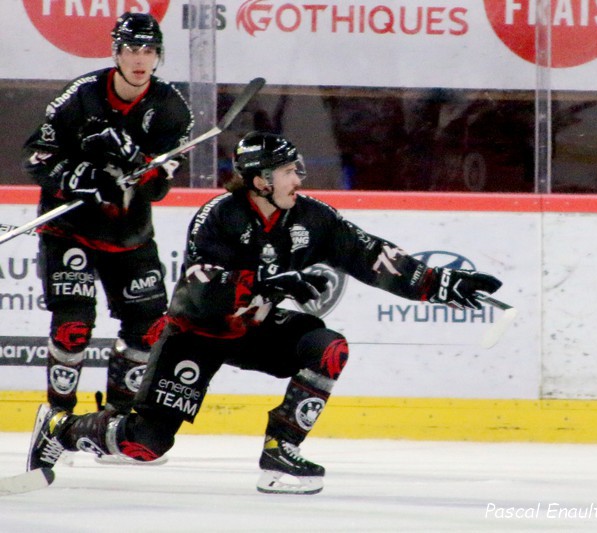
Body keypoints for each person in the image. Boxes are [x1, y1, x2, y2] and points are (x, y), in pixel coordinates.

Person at [26, 131, 503, 495]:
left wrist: (443, 282)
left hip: (255, 328)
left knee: (328, 349)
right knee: (144, 444)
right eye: (289, 171)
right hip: (197, 335)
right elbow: (197, 294)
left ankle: (281, 451)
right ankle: (60, 428)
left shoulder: (310, 216)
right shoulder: (220, 216)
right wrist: (269, 283)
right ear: (260, 179)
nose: (300, 178)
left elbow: (371, 254)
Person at [22, 12, 193, 417]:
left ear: (159, 56)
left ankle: (116, 419)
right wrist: (79, 174)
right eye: (131, 49)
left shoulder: (171, 108)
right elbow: (35, 155)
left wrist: (134, 157)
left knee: (149, 326)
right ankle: (58, 416)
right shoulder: (80, 96)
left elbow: (157, 187)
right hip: (70, 229)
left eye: (149, 50)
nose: (140, 59)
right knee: (73, 326)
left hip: (128, 235)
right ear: (116, 52)